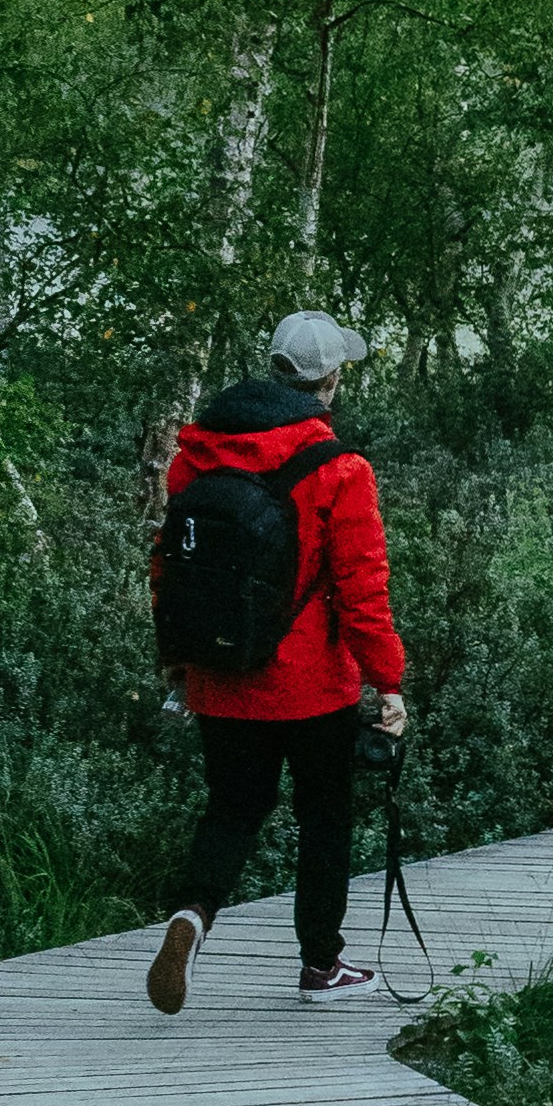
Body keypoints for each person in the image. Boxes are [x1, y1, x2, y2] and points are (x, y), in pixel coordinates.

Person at [143, 305, 412, 1007]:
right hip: (311, 686)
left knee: (232, 809)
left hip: (218, 675)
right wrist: (388, 683)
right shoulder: (339, 468)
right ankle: (321, 966)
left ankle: (190, 917)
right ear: (329, 383)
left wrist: (176, 657)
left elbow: (169, 568)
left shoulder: (193, 458)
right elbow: (363, 590)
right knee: (324, 818)